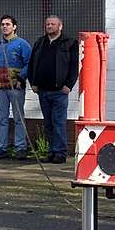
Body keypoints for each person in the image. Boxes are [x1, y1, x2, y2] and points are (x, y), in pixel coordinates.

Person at [27, 15, 79, 164]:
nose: (49, 26)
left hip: (59, 91)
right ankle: (51, 151)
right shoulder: (39, 42)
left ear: (60, 26)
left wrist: (69, 85)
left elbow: (74, 66)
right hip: (43, 90)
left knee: (59, 122)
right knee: (48, 123)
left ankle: (60, 153)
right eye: (48, 24)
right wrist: (33, 82)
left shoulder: (69, 43)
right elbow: (32, 64)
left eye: (53, 24)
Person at [0, 15, 32, 160]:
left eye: (8, 24)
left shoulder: (22, 45)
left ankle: (21, 147)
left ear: (14, 26)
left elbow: (29, 64)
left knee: (18, 117)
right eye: (3, 24)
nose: (5, 26)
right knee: (2, 119)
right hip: (0, 89)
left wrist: (21, 79)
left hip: (16, 88)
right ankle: (2, 147)